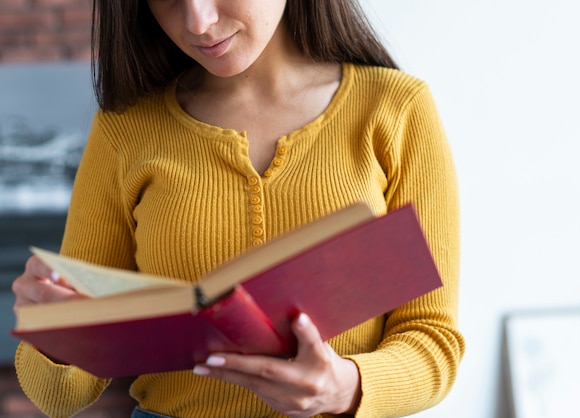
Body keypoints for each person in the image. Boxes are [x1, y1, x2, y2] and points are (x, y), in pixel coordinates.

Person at [12, 0, 465, 417]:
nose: (198, 23)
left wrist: (343, 387)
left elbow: (432, 341)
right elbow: (61, 397)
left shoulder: (396, 109)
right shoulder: (122, 133)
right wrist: (53, 334)